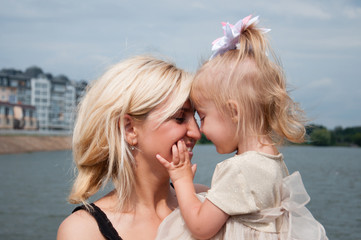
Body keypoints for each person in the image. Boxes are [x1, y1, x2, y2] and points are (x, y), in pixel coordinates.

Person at [156, 15, 328, 239]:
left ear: (233, 112)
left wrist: (181, 180)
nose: (201, 130)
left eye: (204, 117)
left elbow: (200, 227)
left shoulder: (239, 169)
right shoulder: (272, 161)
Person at [57, 55, 207, 240]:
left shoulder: (207, 200)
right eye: (179, 118)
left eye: (196, 118)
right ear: (129, 129)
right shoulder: (83, 231)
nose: (196, 133)